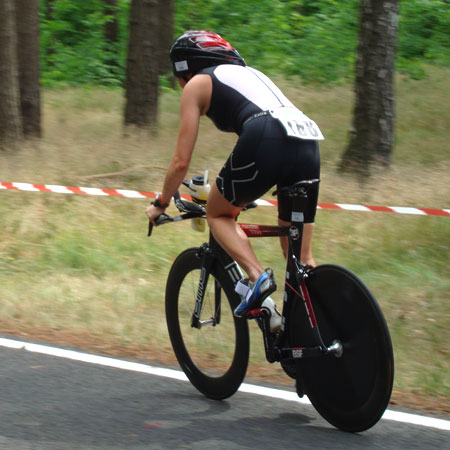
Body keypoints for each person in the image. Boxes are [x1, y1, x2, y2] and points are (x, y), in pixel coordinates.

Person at [146, 30, 322, 331]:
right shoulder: (251, 74)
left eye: (178, 77)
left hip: (268, 135)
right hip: (307, 140)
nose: (179, 85)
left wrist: (161, 203)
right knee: (300, 258)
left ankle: (256, 276)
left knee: (218, 213)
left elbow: (180, 161)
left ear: (186, 68)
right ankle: (317, 328)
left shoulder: (198, 83)